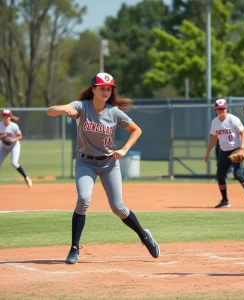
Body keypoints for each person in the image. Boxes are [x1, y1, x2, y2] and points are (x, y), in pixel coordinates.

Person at [46, 72, 160, 264]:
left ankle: (144, 235)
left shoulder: (114, 112)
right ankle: (74, 248)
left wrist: (124, 149)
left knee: (118, 207)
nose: (106, 91)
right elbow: (50, 110)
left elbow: (136, 130)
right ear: (93, 90)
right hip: (85, 162)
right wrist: (65, 111)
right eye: (102, 88)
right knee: (83, 200)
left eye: (109, 89)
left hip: (109, 163)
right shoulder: (81, 106)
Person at [204, 99, 244, 209]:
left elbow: (243, 133)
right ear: (215, 110)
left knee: (238, 174)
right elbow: (213, 139)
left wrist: (241, 148)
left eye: (222, 108)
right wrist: (207, 152)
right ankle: (225, 200)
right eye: (218, 109)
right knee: (220, 176)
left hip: (236, 149)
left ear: (227, 108)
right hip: (223, 151)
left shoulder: (233, 119)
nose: (221, 111)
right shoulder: (215, 122)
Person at [0, 109, 32, 187]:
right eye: (4, 115)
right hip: (4, 147)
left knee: (14, 163)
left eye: (7, 116)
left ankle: (26, 177)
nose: (5, 117)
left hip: (14, 145)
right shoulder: (0, 125)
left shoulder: (14, 126)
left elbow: (20, 136)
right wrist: (2, 136)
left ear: (10, 117)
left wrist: (12, 139)